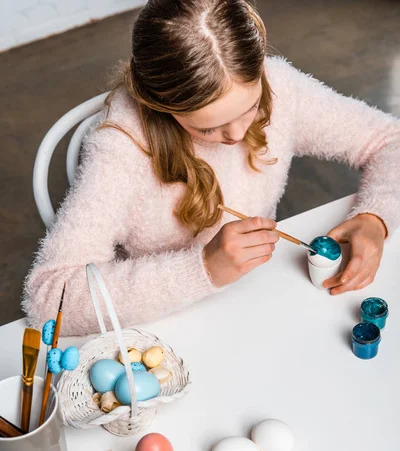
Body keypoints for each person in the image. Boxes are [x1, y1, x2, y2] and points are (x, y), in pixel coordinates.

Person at [23, 0, 400, 336]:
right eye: (208, 128)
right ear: (162, 105)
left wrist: (375, 218)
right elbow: (50, 298)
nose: (238, 135)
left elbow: (390, 140)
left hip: (261, 304)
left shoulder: (280, 85)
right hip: (167, 328)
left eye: (251, 106)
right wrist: (202, 269)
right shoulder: (123, 145)